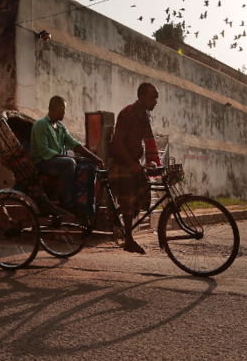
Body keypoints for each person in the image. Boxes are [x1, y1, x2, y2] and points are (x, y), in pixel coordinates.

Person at [30, 96, 104, 216]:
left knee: (89, 162)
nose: (65, 112)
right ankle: (67, 203)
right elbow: (44, 152)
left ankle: (87, 203)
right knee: (69, 162)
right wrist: (72, 158)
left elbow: (74, 144)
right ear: (60, 109)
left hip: (58, 161)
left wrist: (94, 157)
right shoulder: (41, 124)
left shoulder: (60, 127)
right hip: (43, 162)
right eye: (65, 109)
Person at [111, 82, 162, 254]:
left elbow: (148, 140)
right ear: (141, 97)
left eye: (156, 98)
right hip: (121, 162)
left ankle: (117, 218)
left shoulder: (145, 115)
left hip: (134, 161)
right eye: (152, 98)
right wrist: (132, 164)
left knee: (143, 195)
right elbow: (117, 142)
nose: (155, 101)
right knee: (129, 198)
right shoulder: (128, 113)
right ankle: (128, 240)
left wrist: (150, 163)